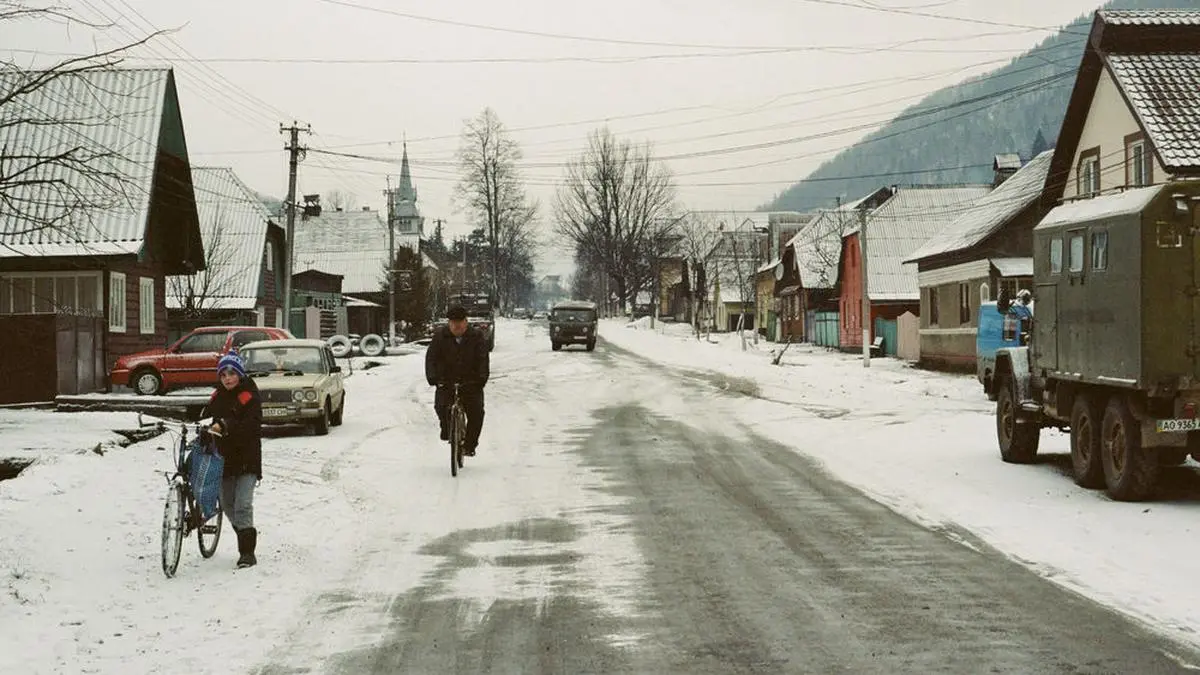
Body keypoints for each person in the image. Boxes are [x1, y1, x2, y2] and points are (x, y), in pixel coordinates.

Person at [205, 351, 263, 569]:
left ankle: (247, 552)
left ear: (239, 374)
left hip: (247, 458)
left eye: (231, 374)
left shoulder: (250, 395)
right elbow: (207, 415)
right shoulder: (217, 396)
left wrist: (225, 425)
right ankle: (244, 533)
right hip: (225, 459)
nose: (227, 379)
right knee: (228, 505)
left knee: (243, 504)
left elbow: (252, 424)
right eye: (223, 375)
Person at [425, 305, 490, 456]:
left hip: (471, 382)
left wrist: (481, 378)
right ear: (449, 323)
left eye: (460, 322)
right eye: (453, 323)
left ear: (466, 322)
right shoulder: (440, 337)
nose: (457, 326)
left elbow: (483, 359)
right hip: (446, 381)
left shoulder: (476, 336)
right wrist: (433, 377)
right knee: (441, 407)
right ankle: (447, 428)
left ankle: (469, 445)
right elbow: (431, 359)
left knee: (476, 413)